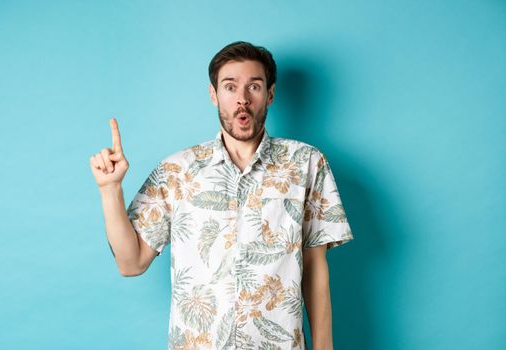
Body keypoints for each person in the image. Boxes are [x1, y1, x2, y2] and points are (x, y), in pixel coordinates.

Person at [90, 41, 354, 350]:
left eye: (254, 86)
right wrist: (110, 190)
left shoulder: (307, 163)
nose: (242, 99)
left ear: (270, 95)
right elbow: (130, 263)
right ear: (214, 95)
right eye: (230, 87)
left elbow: (315, 269)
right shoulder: (177, 170)